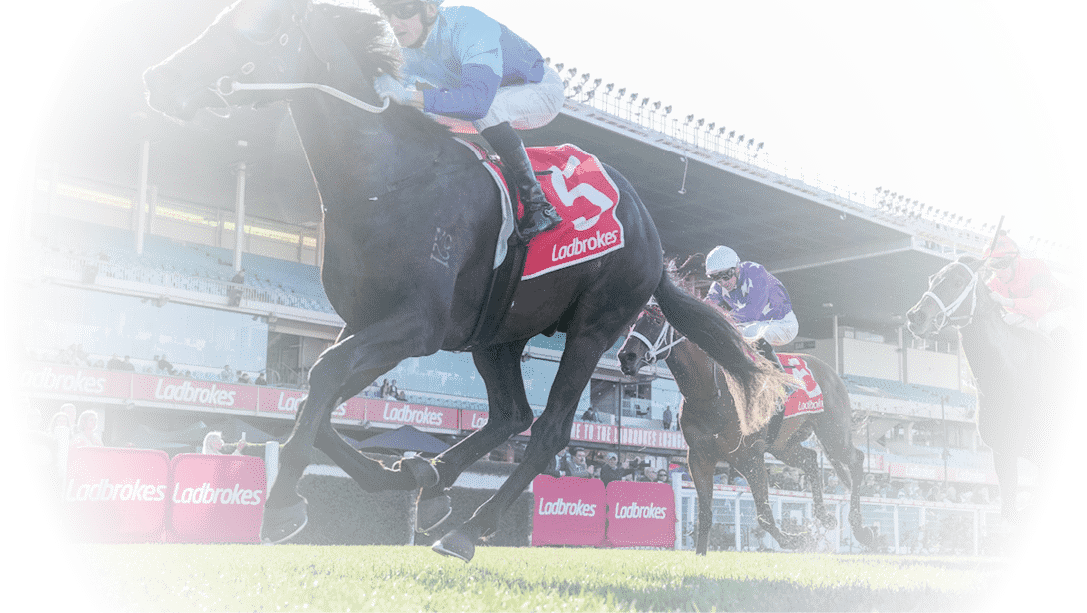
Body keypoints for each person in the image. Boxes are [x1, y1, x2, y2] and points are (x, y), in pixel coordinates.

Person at [371, 0, 563, 241]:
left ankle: (538, 204)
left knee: (487, 109)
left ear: (430, 9)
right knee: (419, 120)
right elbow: (400, 103)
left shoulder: (470, 24)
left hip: (540, 89)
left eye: (404, 11)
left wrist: (408, 95)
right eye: (387, 13)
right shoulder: (404, 50)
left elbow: (477, 102)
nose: (394, 23)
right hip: (487, 100)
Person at [703, 245, 798, 368]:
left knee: (750, 331)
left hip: (783, 324)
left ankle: (782, 381)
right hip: (755, 324)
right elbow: (706, 307)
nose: (723, 282)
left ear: (737, 269)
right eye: (716, 277)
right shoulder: (719, 286)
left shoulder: (756, 273)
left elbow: (752, 313)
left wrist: (721, 320)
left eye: (726, 275)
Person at [983, 231, 1076, 352]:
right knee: (1009, 321)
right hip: (1030, 316)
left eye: (1002, 264)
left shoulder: (1036, 267)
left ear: (1015, 261)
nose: (998, 271)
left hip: (1064, 309)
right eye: (993, 265)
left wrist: (1006, 301)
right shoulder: (995, 283)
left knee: (1047, 322)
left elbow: (1041, 306)